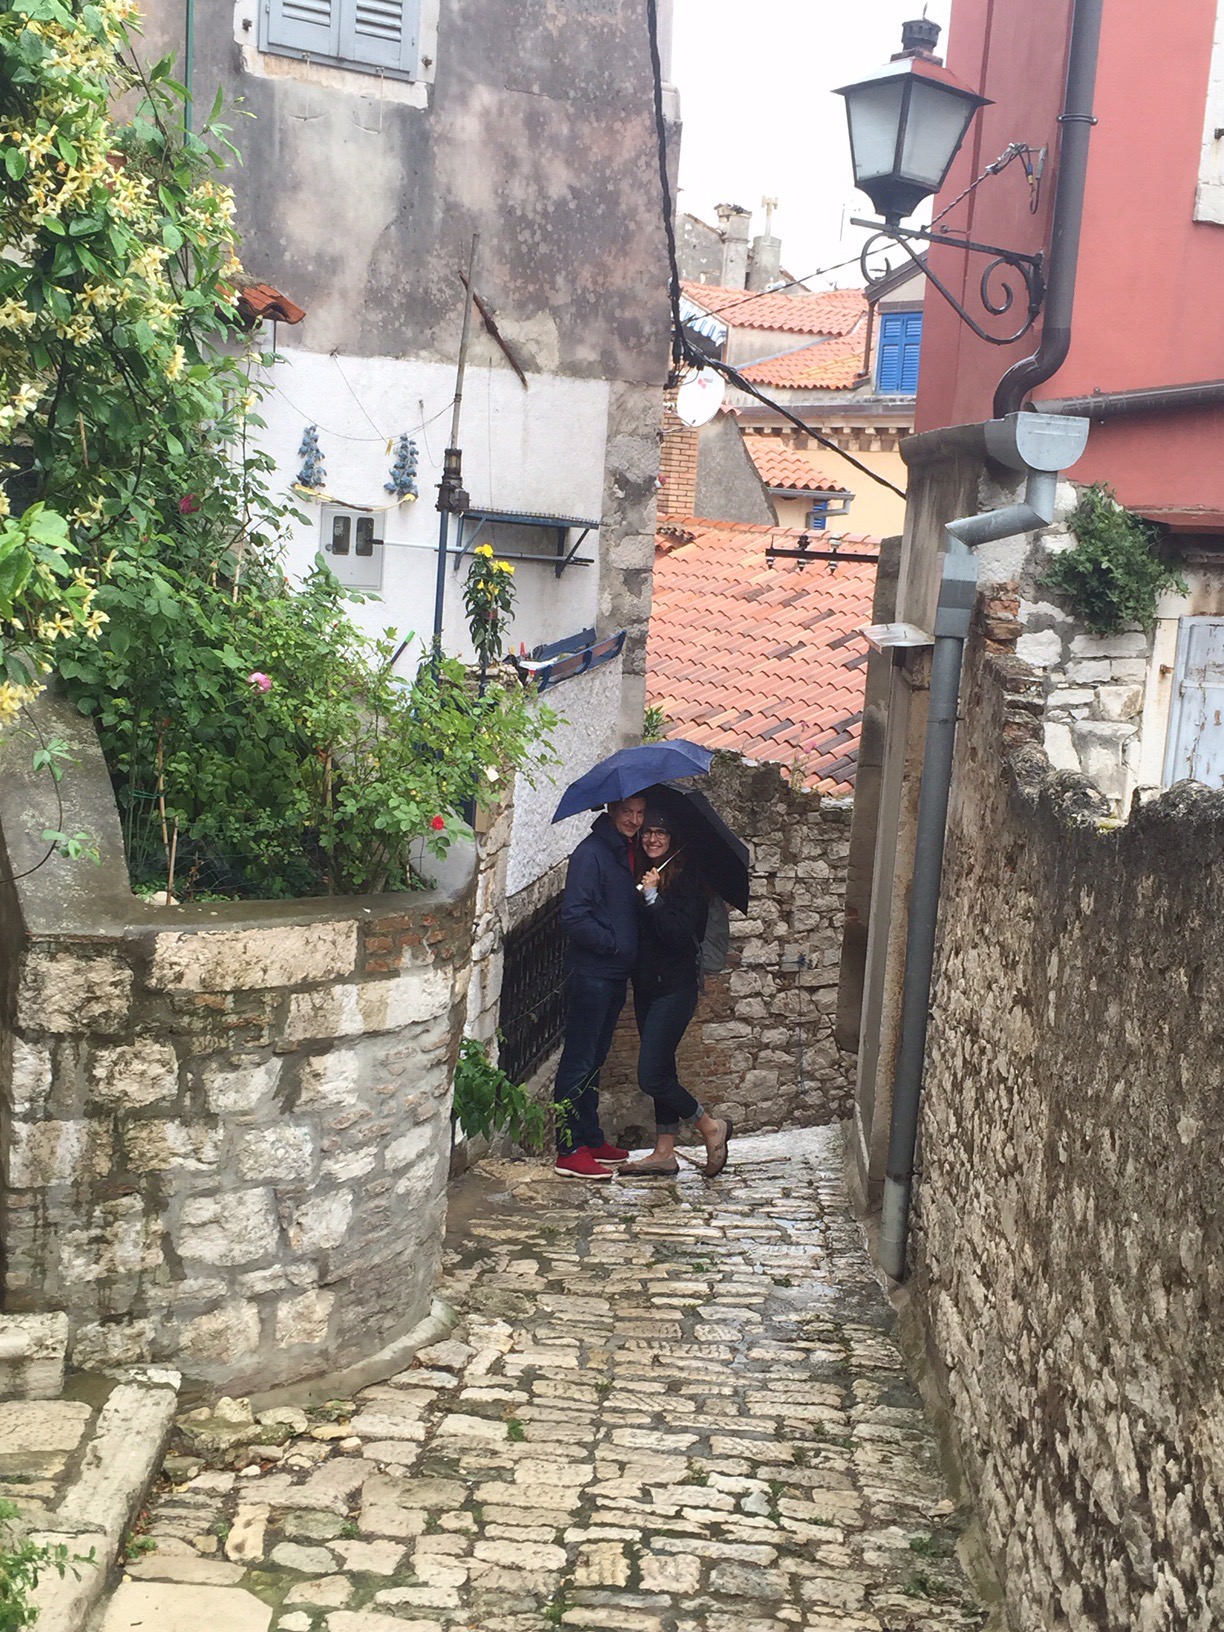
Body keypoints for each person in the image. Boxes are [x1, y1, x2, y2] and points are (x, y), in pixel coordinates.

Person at [618, 807, 732, 1179]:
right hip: (647, 987)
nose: (652, 838)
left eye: (660, 833)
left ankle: (710, 1127)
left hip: (676, 989)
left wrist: (653, 898)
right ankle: (664, 1153)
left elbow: (678, 936)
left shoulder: (689, 879)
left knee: (651, 1076)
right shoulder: (647, 872)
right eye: (648, 832)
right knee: (663, 1068)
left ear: (673, 838)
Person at [551, 795, 642, 1179]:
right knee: (579, 1059)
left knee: (596, 1059)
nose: (634, 820)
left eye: (640, 813)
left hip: (614, 973)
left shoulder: (625, 853)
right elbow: (574, 915)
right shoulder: (591, 854)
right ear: (612, 810)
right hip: (592, 973)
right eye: (628, 812)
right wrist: (613, 944)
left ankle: (590, 1137)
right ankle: (569, 1148)